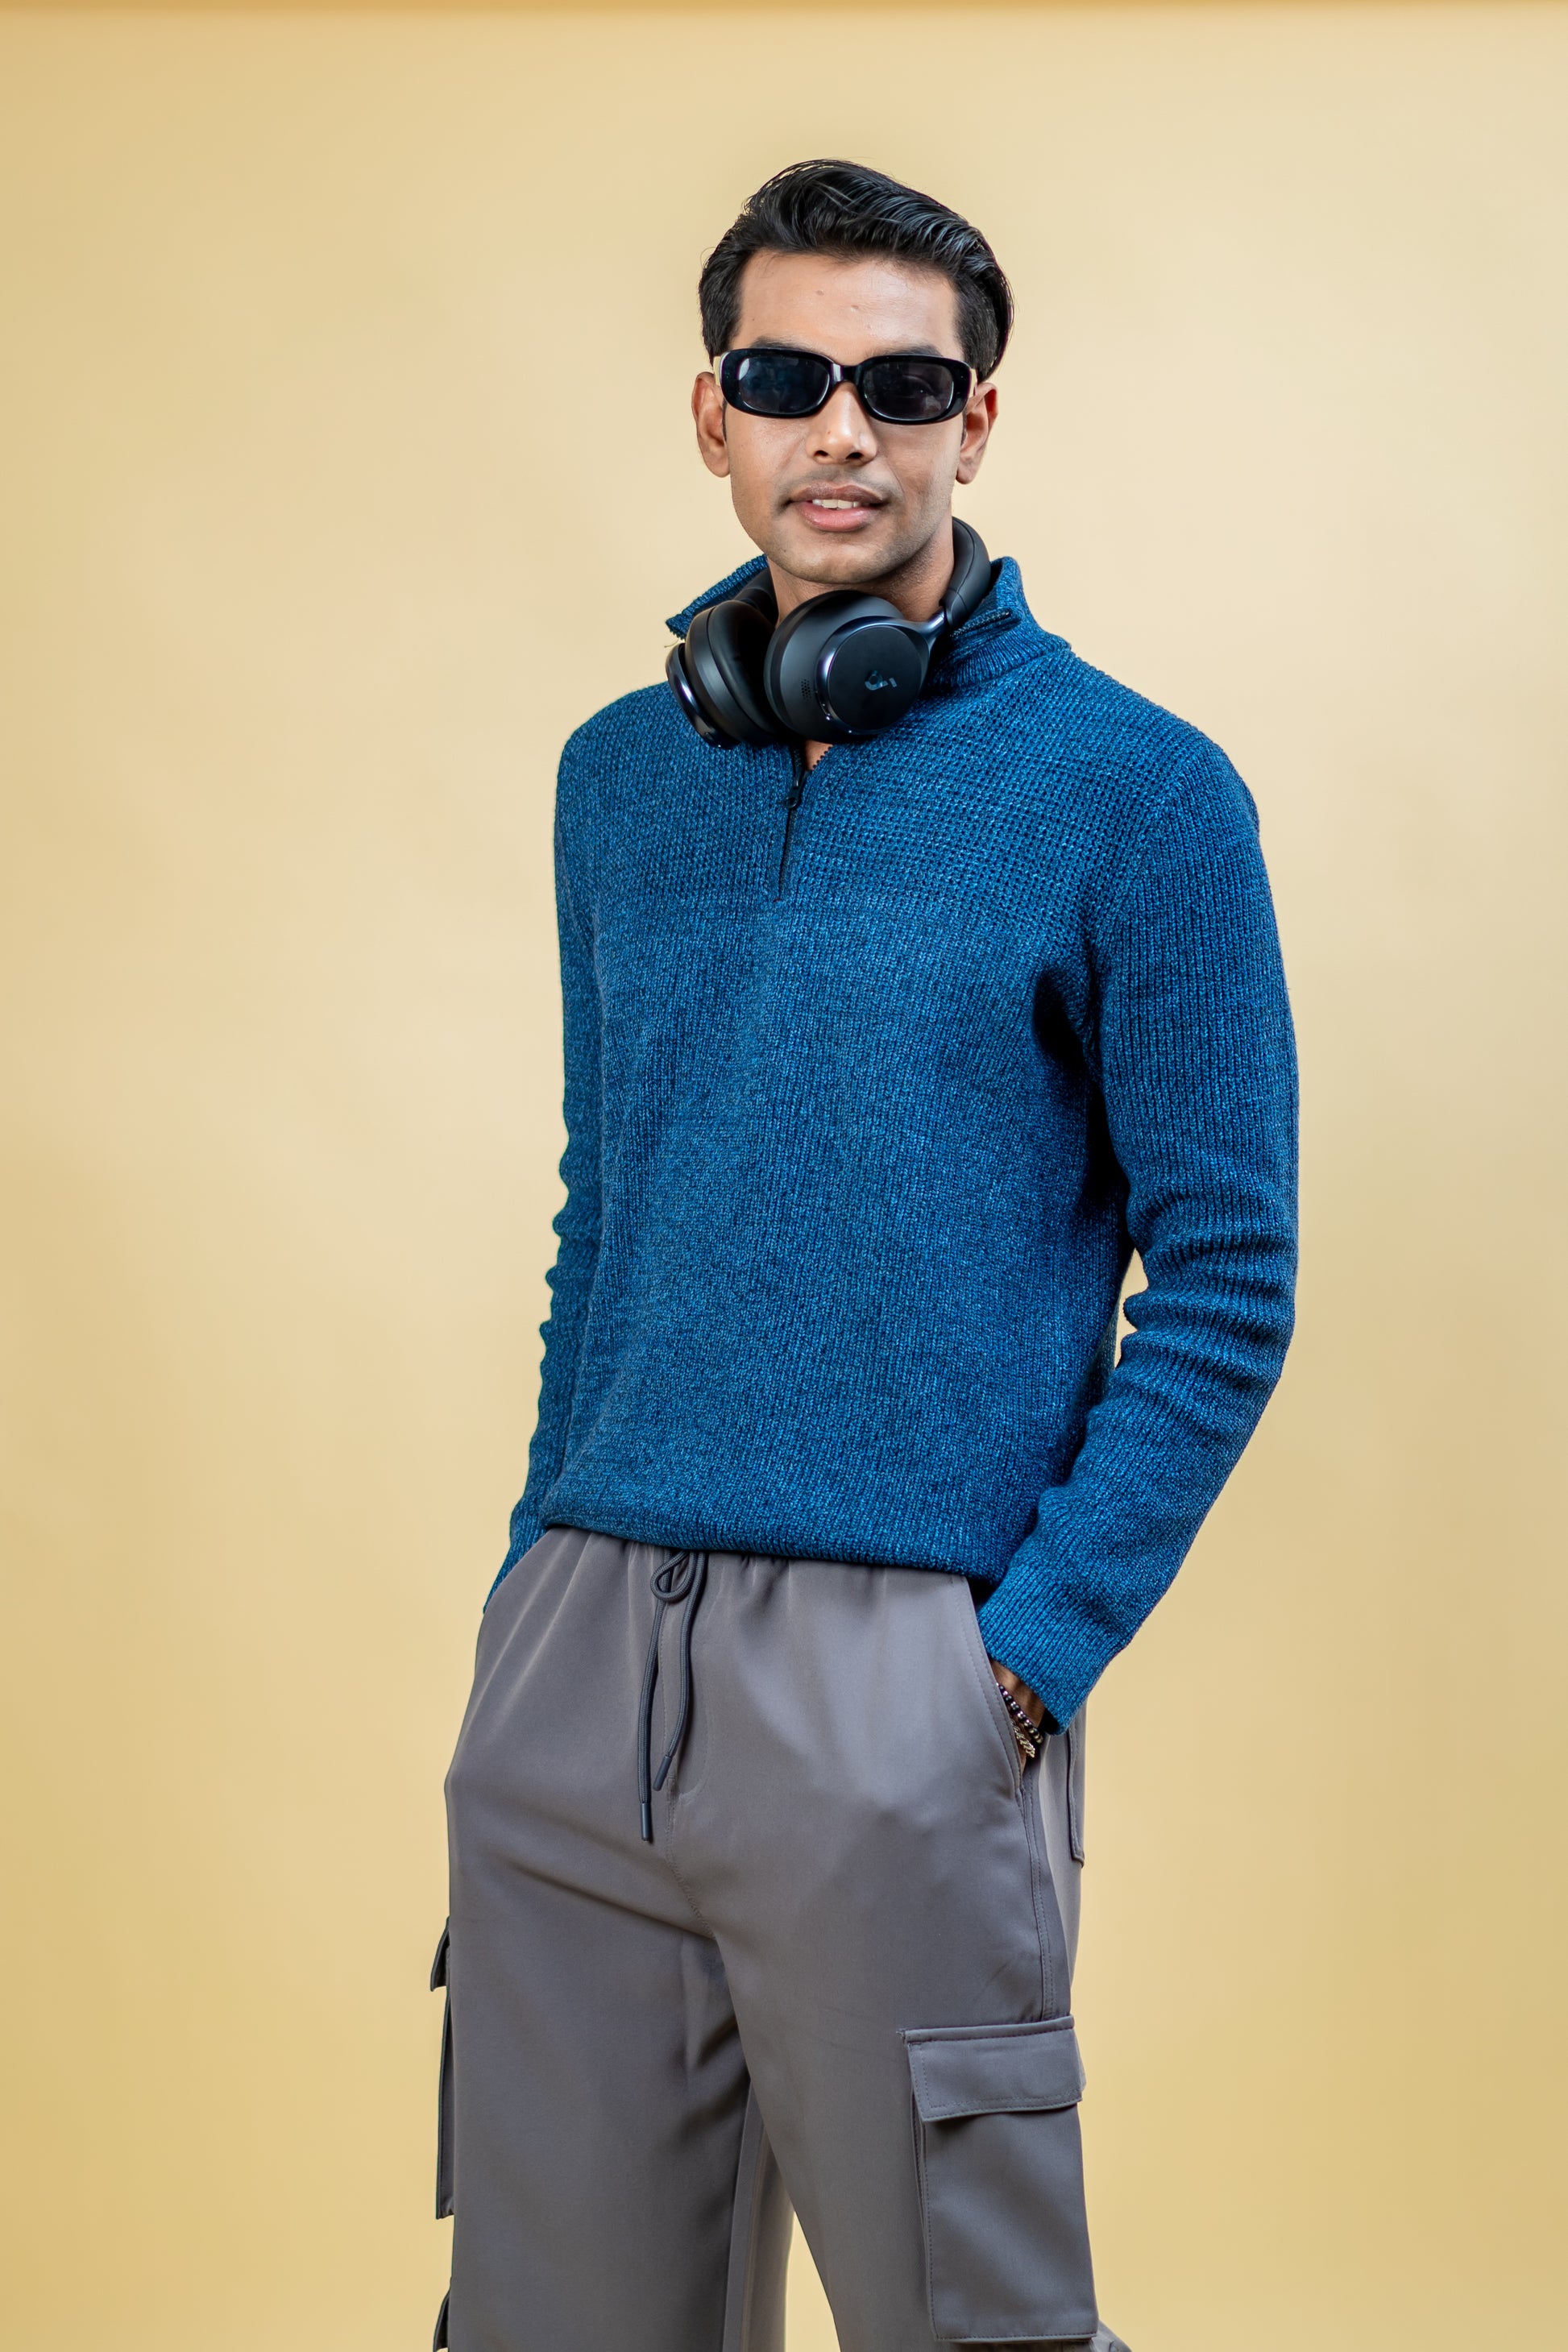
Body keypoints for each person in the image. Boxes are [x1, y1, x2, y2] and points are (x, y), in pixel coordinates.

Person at [432, 159, 1297, 2352]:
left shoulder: (1138, 792)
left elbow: (1224, 1273)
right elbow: (608, 1207)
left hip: (899, 1683)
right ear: (708, 413)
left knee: (965, 2326)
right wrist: (535, 1579)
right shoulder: (618, 777)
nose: (841, 428)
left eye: (901, 386)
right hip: (579, 1669)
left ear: (973, 423)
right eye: (784, 377)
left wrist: (1016, 1665)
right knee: (544, 2325)